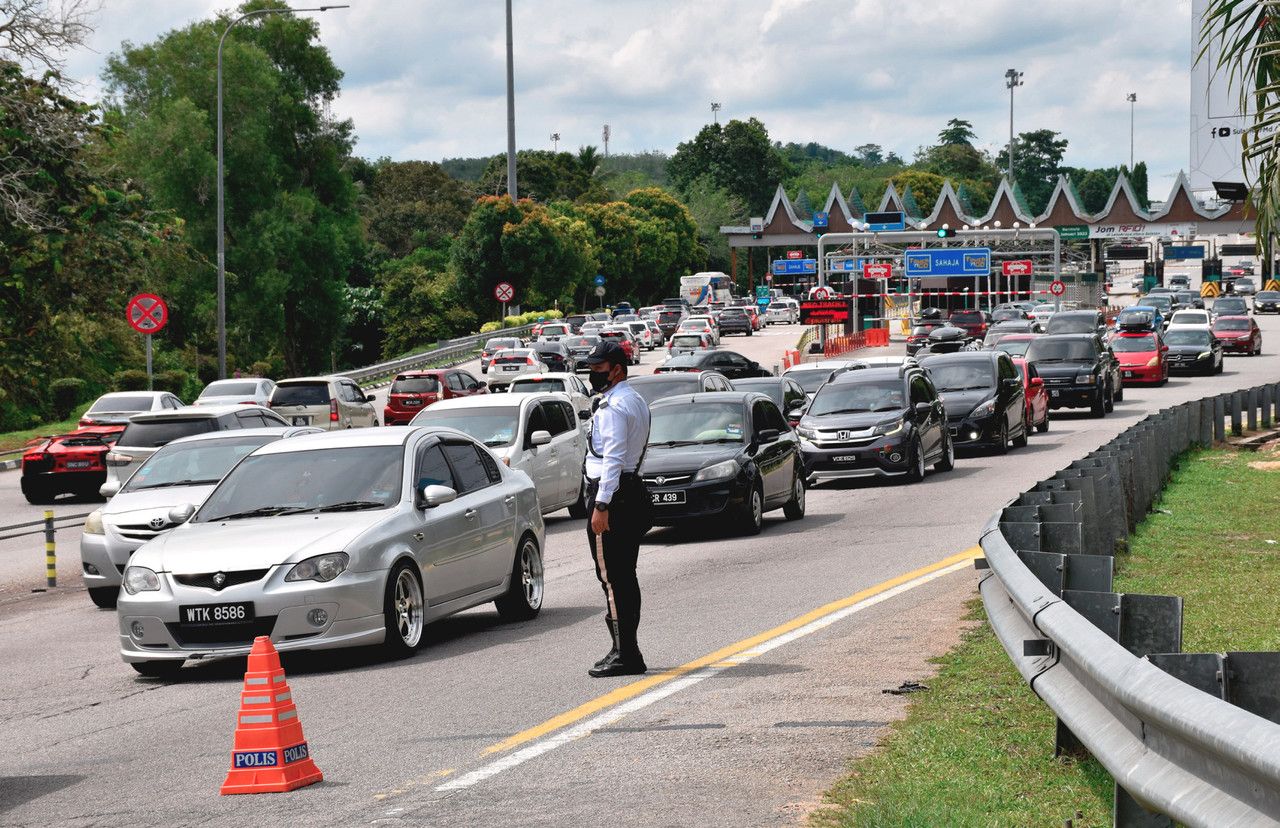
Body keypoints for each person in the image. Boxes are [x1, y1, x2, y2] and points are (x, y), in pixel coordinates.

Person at [583, 340, 652, 678]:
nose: (593, 374)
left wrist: (601, 503)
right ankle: (624, 648)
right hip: (631, 490)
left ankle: (627, 653)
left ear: (617, 370)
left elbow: (611, 459)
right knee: (625, 577)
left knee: (612, 579)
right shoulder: (635, 399)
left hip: (613, 497)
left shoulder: (613, 407)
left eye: (598, 369)